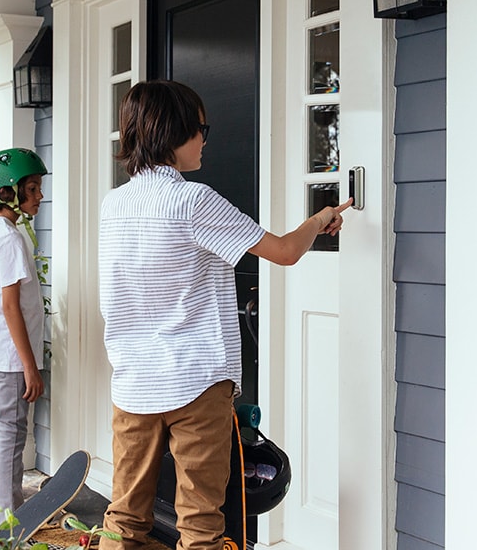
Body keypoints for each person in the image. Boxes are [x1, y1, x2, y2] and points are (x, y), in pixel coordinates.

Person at [98, 80, 351, 550]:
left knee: (125, 515)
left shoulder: (114, 204)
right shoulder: (193, 201)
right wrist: (321, 218)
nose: (205, 139)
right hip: (195, 382)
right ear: (171, 132)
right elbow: (284, 251)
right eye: (200, 128)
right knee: (200, 523)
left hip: (133, 383)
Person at [0, 148, 48, 527]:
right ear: (6, 194)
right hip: (13, 358)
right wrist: (30, 367)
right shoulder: (11, 240)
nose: (39, 196)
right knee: (11, 438)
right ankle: (12, 523)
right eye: (32, 188)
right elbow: (10, 307)